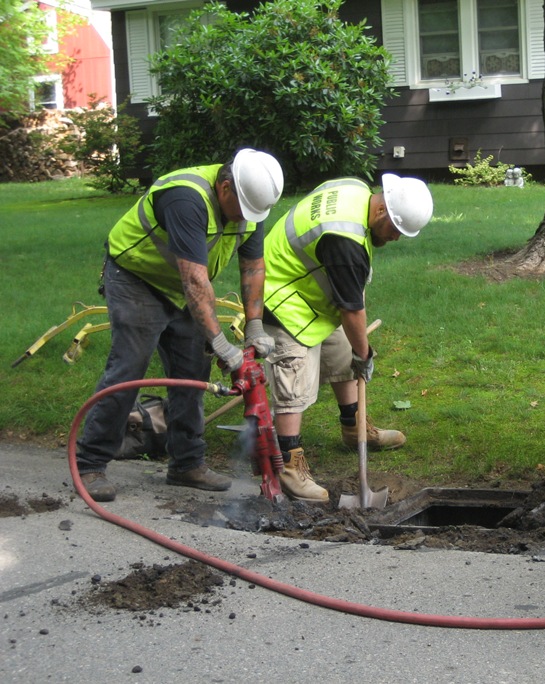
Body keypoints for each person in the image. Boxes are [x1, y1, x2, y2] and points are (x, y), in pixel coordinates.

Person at [76, 148, 285, 502]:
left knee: (193, 373)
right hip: (138, 279)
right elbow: (194, 281)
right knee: (130, 367)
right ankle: (90, 463)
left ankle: (187, 464)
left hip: (186, 286)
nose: (244, 220)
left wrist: (254, 325)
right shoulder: (186, 198)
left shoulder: (250, 204)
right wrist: (221, 344)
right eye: (242, 211)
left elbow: (253, 266)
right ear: (224, 186)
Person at [261, 174, 434, 503]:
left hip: (309, 284)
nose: (396, 238)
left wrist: (356, 352)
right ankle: (289, 466)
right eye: (396, 229)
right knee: (293, 380)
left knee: (341, 352)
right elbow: (352, 310)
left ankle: (355, 428)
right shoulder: (344, 241)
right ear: (382, 210)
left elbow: (350, 302)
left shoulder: (356, 190)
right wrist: (365, 355)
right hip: (279, 293)